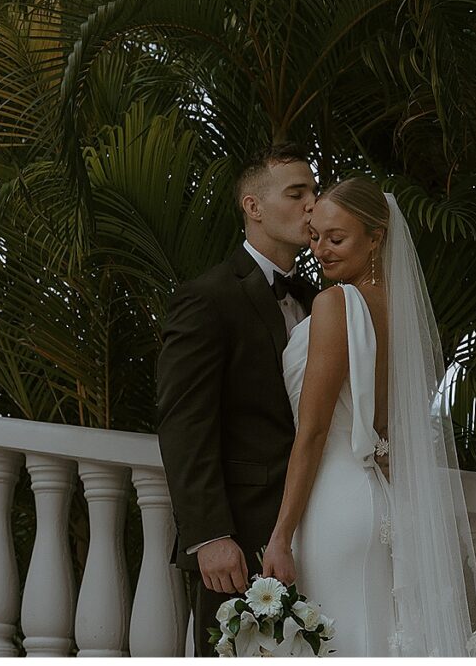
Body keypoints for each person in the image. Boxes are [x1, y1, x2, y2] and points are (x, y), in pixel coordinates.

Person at [262, 177, 476, 656]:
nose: (321, 249)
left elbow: (315, 430)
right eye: (316, 236)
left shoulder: (336, 303)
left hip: (332, 504)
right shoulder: (401, 312)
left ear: (376, 238)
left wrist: (280, 535)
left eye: (337, 239)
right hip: (380, 498)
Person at [156, 142, 318, 657]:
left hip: (315, 526)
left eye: (314, 191)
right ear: (253, 207)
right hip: (239, 536)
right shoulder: (208, 297)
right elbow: (185, 424)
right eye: (297, 193)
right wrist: (209, 536)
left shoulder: (321, 299)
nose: (312, 204)